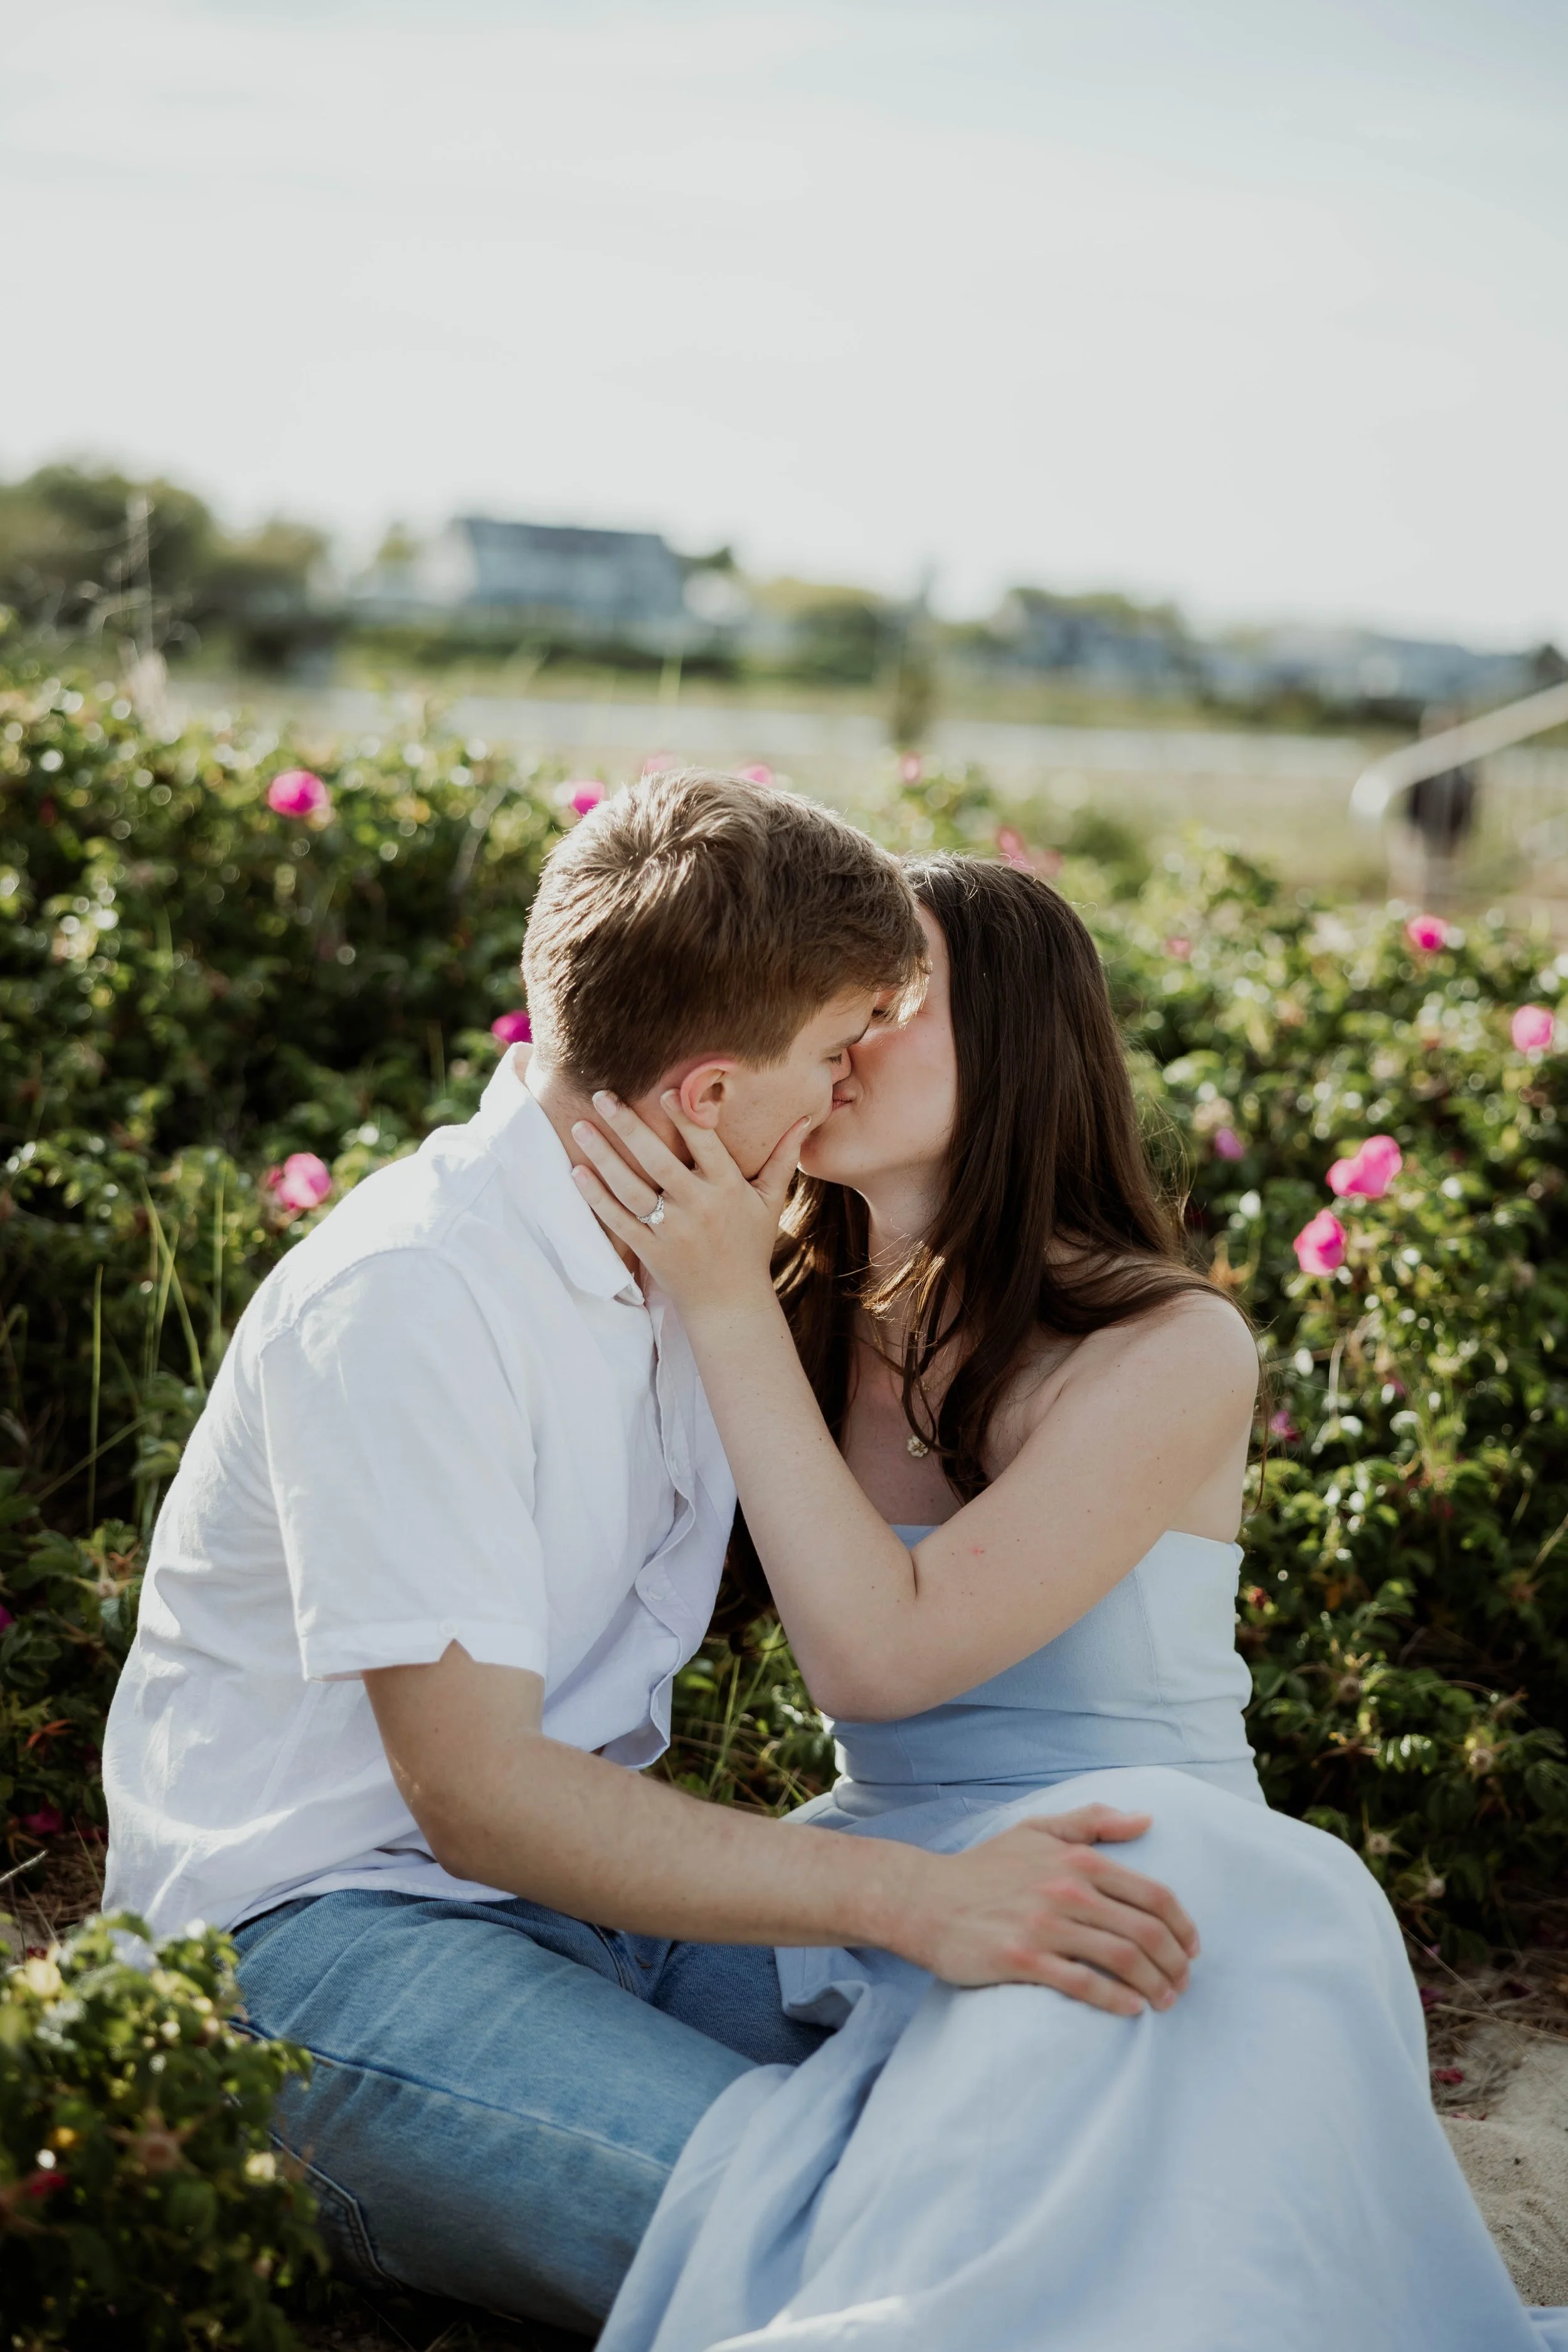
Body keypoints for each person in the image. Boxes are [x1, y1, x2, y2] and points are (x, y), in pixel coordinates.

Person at [102, 774, 1202, 2336]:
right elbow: (475, 1799)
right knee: (837, 2242)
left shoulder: (704, 1254)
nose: (842, 1091)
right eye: (833, 1053)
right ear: (702, 1094)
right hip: (318, 1952)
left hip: (596, 1906)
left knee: (1077, 2121)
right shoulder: (415, 1298)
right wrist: (906, 1895)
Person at [571, 853, 1568, 2352]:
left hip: (1145, 1846)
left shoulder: (1166, 1348)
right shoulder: (783, 1303)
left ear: (1017, 1040)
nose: (833, 1031)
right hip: (871, 1873)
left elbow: (877, 1653)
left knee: (1137, 1923)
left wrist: (716, 1303)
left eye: (889, 998)